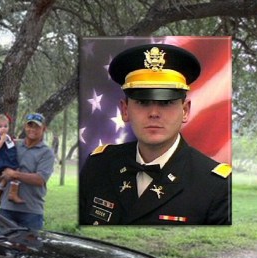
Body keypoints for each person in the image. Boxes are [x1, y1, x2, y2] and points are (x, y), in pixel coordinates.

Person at [78, 43, 231, 225]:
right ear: (125, 110)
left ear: (185, 110)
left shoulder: (216, 186)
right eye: (143, 102)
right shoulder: (98, 165)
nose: (154, 113)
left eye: (166, 103)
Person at [0, 113, 55, 230]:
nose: (32, 129)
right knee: (3, 246)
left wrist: (15, 174)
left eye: (37, 127)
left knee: (30, 248)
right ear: (25, 127)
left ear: (44, 129)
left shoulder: (46, 152)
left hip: (31, 211)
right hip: (6, 209)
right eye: (30, 125)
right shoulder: (14, 145)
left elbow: (40, 179)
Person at [0, 113, 24, 205]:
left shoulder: (8, 137)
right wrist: (1, 140)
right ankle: (12, 193)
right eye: (0, 126)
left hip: (9, 159)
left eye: (5, 126)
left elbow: (12, 143)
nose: (3, 128)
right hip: (2, 161)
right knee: (16, 171)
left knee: (10, 175)